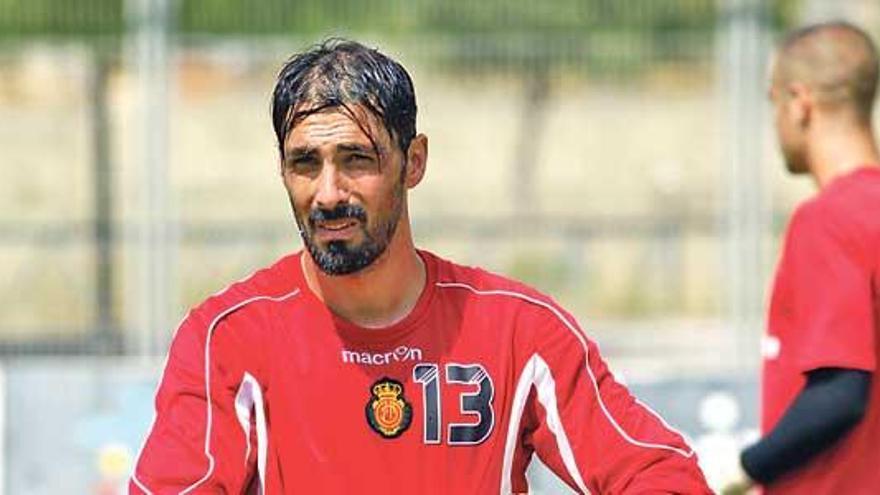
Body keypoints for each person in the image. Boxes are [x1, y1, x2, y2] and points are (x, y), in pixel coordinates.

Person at [129, 39, 710, 494]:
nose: (328, 192)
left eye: (356, 159)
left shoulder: (518, 329)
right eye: (305, 163)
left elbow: (661, 475)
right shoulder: (226, 338)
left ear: (414, 162)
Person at [724, 21, 880, 495]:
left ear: (799, 102)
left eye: (773, 103)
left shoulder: (827, 220)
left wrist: (744, 469)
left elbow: (840, 392)